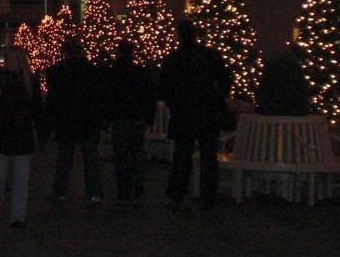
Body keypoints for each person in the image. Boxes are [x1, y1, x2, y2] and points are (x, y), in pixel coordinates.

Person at [159, 18, 231, 211]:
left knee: (182, 156)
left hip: (184, 114)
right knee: (208, 156)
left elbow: (164, 86)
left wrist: (174, 104)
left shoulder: (174, 59)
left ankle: (177, 194)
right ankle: (208, 196)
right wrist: (215, 97)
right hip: (207, 113)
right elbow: (225, 82)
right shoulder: (209, 56)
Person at [0, 46, 44, 228]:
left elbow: (37, 109)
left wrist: (42, 131)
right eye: (8, 58)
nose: (10, 62)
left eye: (14, 58)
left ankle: (18, 217)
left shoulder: (29, 82)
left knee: (20, 180)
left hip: (21, 135)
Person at [46, 37, 104, 205]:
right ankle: (94, 193)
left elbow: (53, 99)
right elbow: (97, 97)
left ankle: (60, 191)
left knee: (64, 158)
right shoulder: (90, 70)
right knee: (90, 159)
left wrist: (52, 120)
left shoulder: (58, 71)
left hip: (66, 120)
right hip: (87, 120)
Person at [105, 39, 156, 206]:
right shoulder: (140, 72)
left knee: (121, 156)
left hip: (120, 118)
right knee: (137, 153)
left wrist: (107, 117)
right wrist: (149, 118)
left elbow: (108, 97)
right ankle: (138, 185)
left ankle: (123, 190)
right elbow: (149, 96)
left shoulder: (113, 73)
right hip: (137, 118)